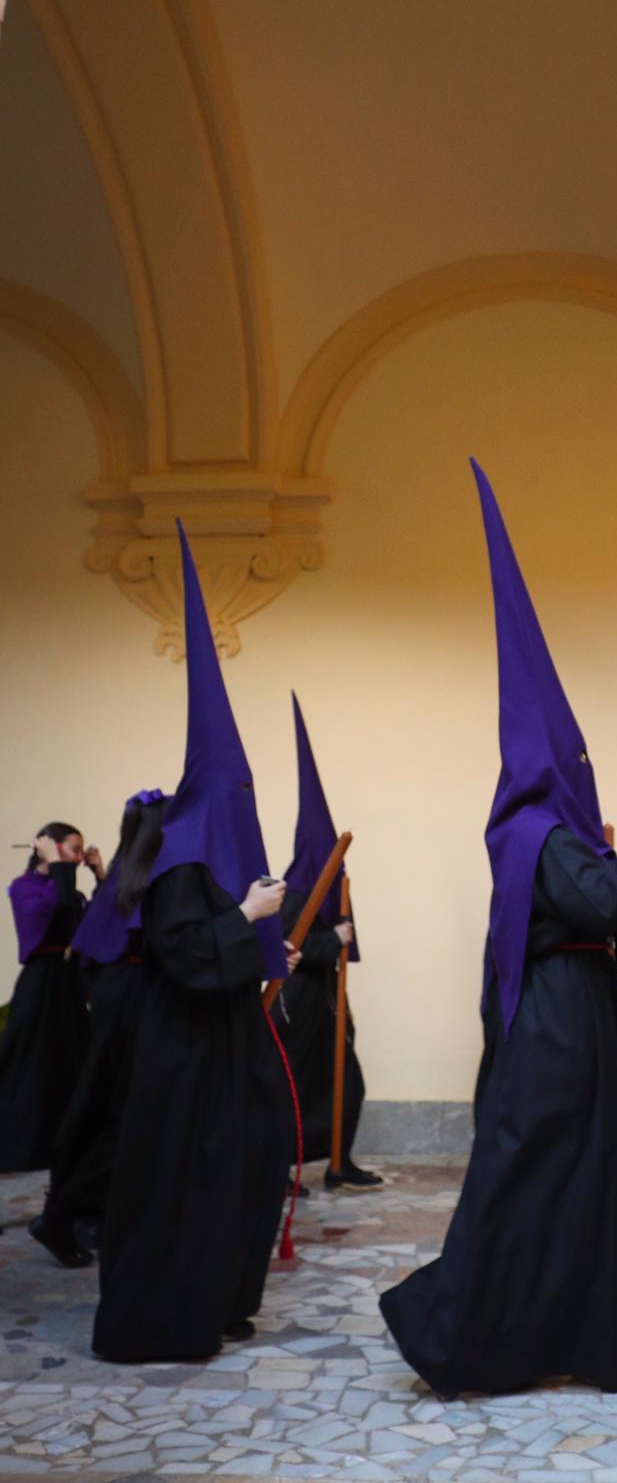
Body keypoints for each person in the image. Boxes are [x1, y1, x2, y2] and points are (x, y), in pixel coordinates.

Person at [380, 461, 617, 1395]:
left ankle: (583, 1327)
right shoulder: (546, 833)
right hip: (569, 1020)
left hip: (576, 1016)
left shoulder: (532, 833)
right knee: (548, 1176)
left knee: (585, 1175)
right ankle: (469, 1330)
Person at [92, 522, 293, 1363]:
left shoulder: (205, 857)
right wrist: (246, 919)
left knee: (241, 1168)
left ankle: (218, 1299)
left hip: (226, 1049)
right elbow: (180, 957)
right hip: (184, 1058)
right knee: (187, 1181)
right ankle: (170, 1317)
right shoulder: (179, 860)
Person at [30, 793, 162, 1268]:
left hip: (116, 999)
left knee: (111, 1116)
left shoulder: (123, 875)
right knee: (123, 1120)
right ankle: (61, 1216)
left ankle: (88, 1213)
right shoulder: (146, 878)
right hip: (131, 1005)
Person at [270, 693, 380, 1191]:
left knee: (346, 1084)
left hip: (327, 1006)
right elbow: (286, 946)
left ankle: (338, 1160)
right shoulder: (294, 892)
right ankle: (281, 1168)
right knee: (290, 1088)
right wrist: (329, 940)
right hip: (299, 1007)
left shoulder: (317, 887)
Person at [0, 824, 101, 1174]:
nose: (78, 857)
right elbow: (46, 914)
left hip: (68, 985)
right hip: (40, 985)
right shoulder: (23, 887)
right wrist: (58, 867)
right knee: (29, 1069)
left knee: (72, 1067)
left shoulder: (69, 888)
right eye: (73, 850)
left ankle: (65, 1151)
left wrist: (100, 874)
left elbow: (98, 924)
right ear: (52, 848)